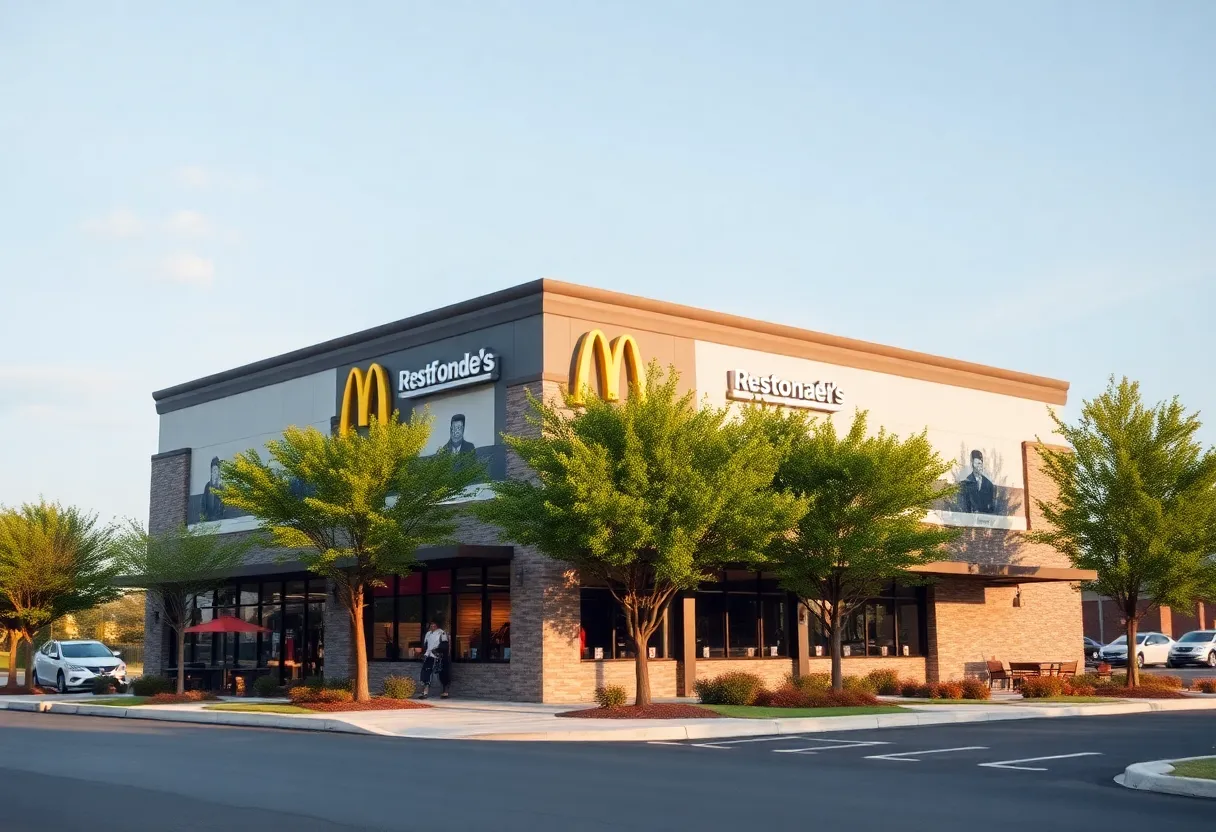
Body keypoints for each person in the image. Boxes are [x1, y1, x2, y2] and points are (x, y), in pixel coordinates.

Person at [419, 618, 451, 699]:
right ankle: (425, 692)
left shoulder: (442, 633)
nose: (432, 627)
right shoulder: (428, 634)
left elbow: (445, 645)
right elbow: (425, 645)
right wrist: (424, 653)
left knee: (443, 674)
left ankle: (445, 692)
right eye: (431, 625)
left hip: (439, 656)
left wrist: (437, 650)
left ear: (437, 626)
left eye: (434, 625)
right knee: (426, 673)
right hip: (429, 656)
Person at [959, 449, 996, 514]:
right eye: (977, 463)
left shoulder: (989, 484)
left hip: (984, 520)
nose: (979, 466)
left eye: (981, 463)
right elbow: (964, 506)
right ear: (972, 464)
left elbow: (991, 507)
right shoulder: (965, 483)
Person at [201, 457, 224, 521]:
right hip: (209, 517)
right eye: (213, 470)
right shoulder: (208, 486)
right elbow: (204, 502)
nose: (215, 472)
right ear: (211, 472)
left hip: (219, 517)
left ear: (219, 472)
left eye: (216, 470)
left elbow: (223, 504)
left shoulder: (221, 487)